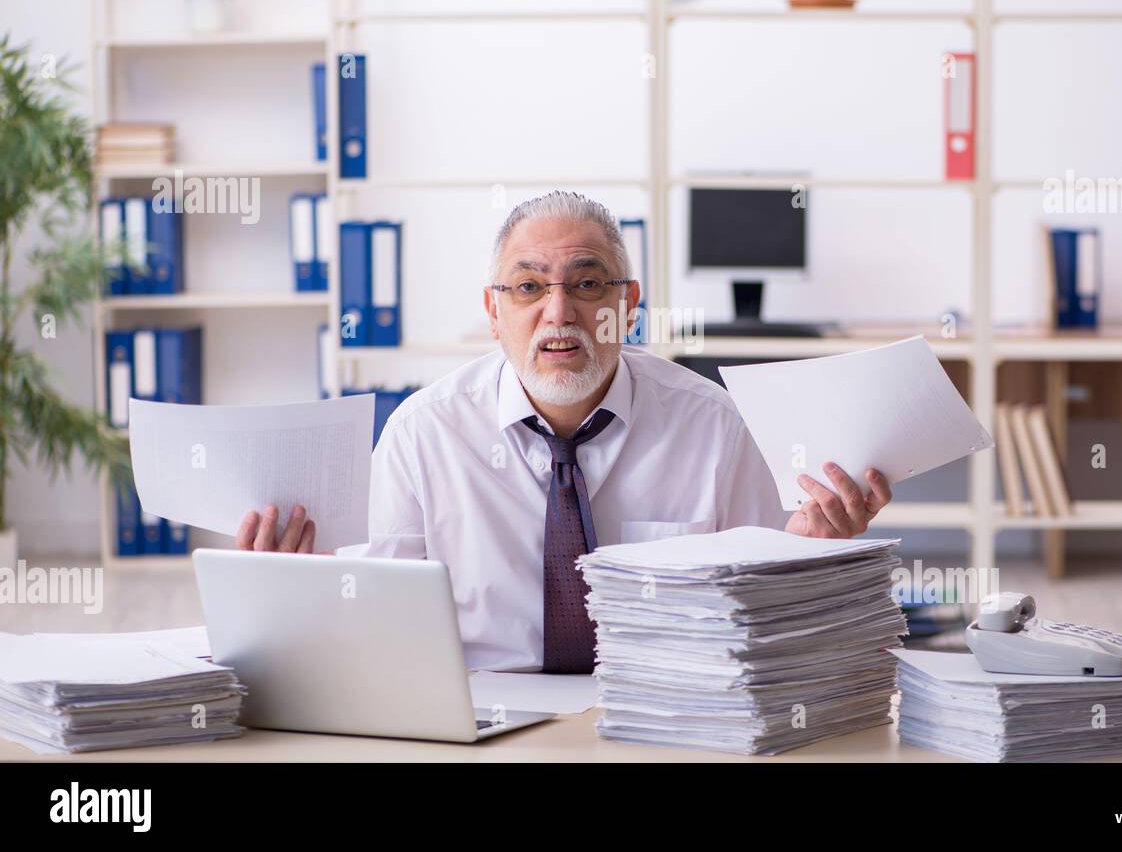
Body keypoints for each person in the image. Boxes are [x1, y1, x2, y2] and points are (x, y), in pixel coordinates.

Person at [236, 191, 891, 671]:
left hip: (669, 715)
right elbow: (378, 639)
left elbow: (763, 616)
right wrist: (297, 596)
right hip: (483, 721)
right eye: (527, 286)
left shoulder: (713, 427)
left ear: (627, 307)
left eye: (586, 282)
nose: (559, 311)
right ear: (494, 312)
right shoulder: (421, 436)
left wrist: (806, 553)